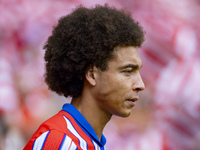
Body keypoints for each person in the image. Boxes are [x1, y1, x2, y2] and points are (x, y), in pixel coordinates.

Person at [24, 4, 145, 150]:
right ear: (92, 75)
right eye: (127, 71)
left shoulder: (88, 142)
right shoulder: (61, 142)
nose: (140, 84)